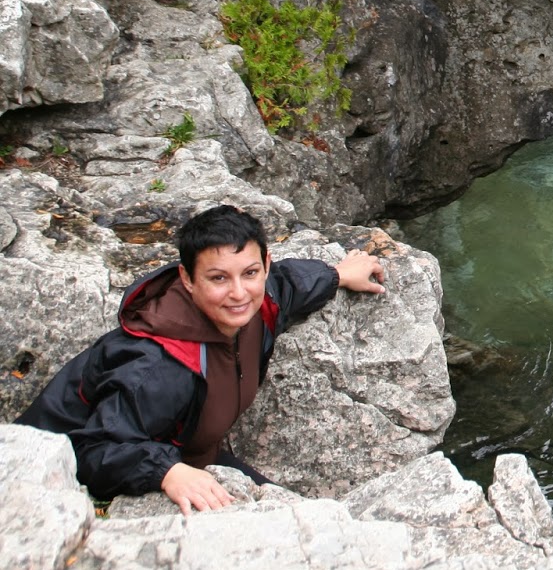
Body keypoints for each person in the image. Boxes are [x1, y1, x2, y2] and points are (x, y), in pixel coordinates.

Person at [16, 204, 387, 514]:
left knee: (306, 514)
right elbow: (93, 450)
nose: (239, 293)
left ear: (265, 265)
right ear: (188, 279)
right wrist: (167, 472)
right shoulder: (158, 366)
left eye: (250, 273)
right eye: (218, 279)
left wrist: (338, 274)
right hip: (43, 479)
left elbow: (288, 284)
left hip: (192, 455)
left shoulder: (261, 302)